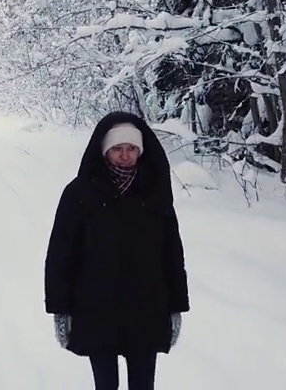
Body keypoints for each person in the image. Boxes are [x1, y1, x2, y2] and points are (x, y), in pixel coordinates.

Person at [44, 111, 189, 390]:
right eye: (117, 149)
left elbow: (172, 254)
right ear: (104, 151)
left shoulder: (155, 193)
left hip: (147, 308)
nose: (125, 156)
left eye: (132, 148)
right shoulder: (80, 194)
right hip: (96, 308)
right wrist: (60, 310)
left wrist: (176, 307)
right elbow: (61, 255)